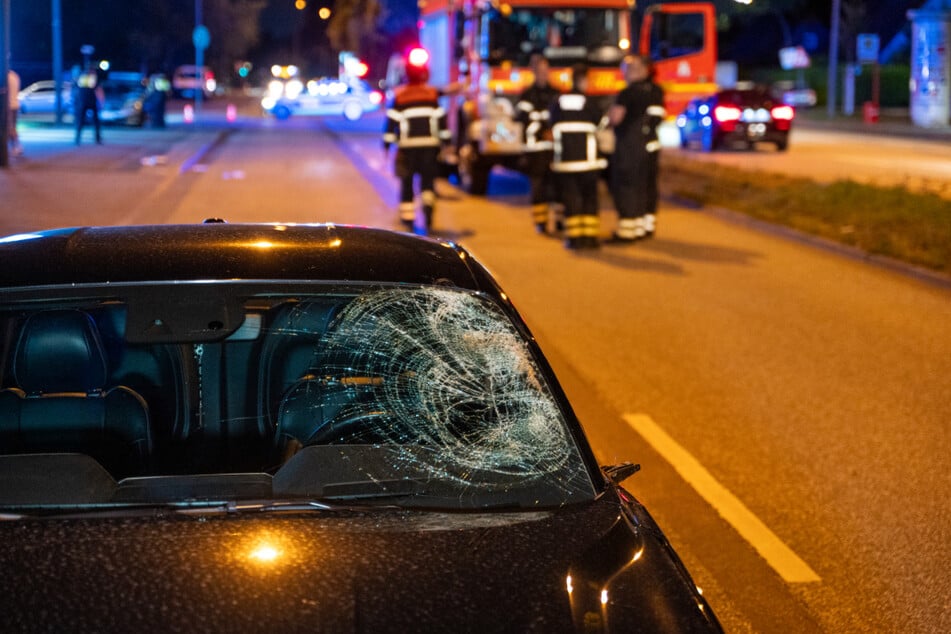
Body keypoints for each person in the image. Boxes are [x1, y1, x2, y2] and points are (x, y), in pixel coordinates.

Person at [382, 56, 450, 233]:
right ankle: (428, 212)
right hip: (430, 147)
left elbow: (391, 124)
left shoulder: (399, 95)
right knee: (428, 182)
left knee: (407, 182)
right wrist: (447, 143)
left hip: (407, 148)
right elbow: (441, 120)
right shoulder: (431, 94)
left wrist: (387, 146)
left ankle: (408, 219)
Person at [607, 54, 666, 242]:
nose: (625, 73)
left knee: (626, 186)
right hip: (651, 146)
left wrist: (608, 118)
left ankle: (627, 232)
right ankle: (644, 228)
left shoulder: (628, 93)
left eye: (628, 69)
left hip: (630, 147)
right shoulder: (656, 91)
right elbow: (658, 117)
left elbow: (616, 118)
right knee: (646, 186)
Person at [548, 64, 607, 250]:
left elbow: (551, 123)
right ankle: (589, 238)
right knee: (589, 198)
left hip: (565, 161)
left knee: (571, 198)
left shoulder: (558, 101)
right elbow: (601, 123)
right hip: (588, 161)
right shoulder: (589, 102)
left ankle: (573, 238)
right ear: (582, 80)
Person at [515, 54, 559, 233]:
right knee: (538, 187)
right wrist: (543, 132)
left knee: (556, 185)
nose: (543, 74)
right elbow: (524, 120)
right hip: (536, 149)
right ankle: (541, 223)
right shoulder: (527, 95)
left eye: (545, 70)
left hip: (555, 147)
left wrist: (553, 133)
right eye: (540, 70)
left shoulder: (556, 93)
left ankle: (559, 221)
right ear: (533, 71)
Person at [74, 64, 103, 145]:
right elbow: (98, 90)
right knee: (96, 121)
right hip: (91, 101)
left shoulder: (81, 78)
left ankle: (77, 138)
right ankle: (97, 139)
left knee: (80, 121)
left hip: (82, 101)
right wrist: (101, 102)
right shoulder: (93, 78)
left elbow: (77, 90)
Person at [7, 69, 22, 157]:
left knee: (10, 127)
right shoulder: (14, 75)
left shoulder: (7, 77)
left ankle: (16, 146)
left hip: (8, 106)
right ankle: (16, 146)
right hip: (15, 104)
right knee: (12, 127)